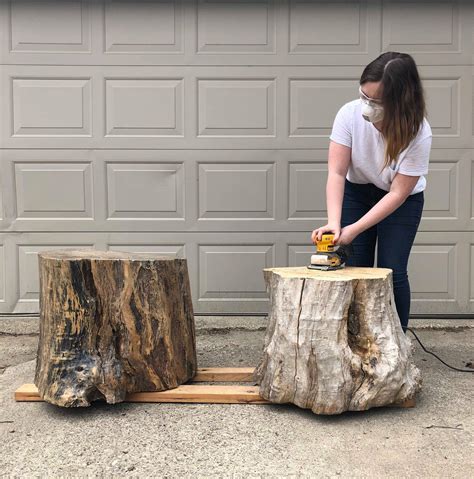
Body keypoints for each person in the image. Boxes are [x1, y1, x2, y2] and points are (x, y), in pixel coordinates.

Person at [311, 51, 432, 332]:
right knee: (355, 268)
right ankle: (356, 340)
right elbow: (337, 172)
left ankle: (396, 342)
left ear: (400, 100)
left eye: (375, 102)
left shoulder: (418, 132)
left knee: (391, 270)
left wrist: (353, 230)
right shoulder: (348, 114)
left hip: (401, 200)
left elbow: (398, 193)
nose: (367, 106)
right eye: (364, 96)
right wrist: (334, 222)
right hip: (358, 190)